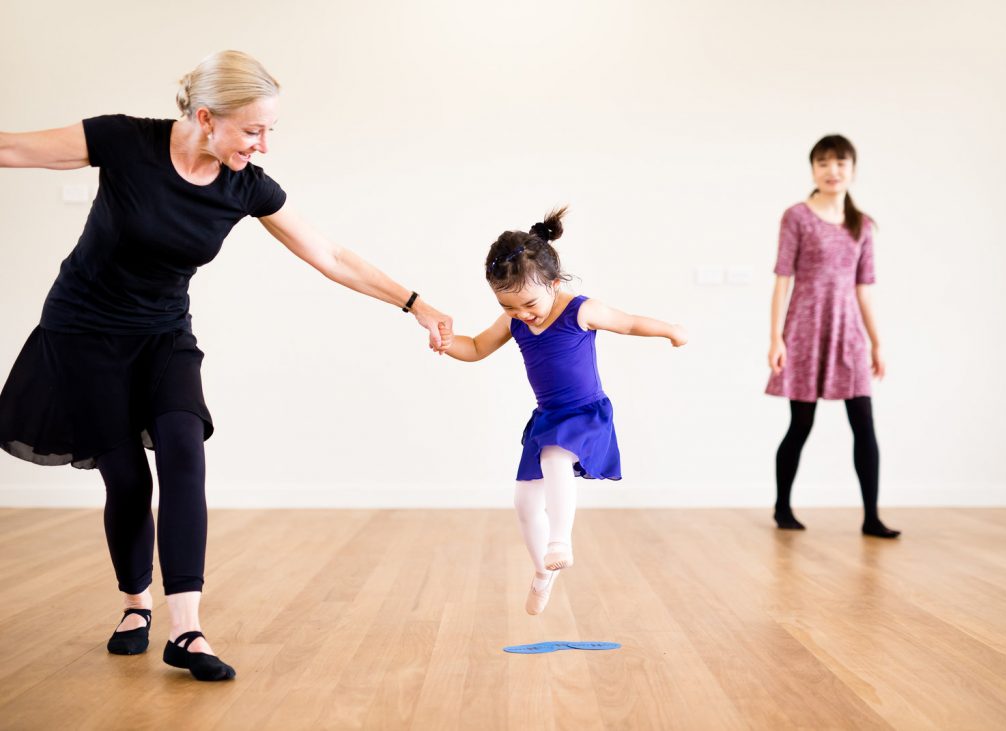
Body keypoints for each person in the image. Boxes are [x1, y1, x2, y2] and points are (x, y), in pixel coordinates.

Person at [0, 50, 451, 681]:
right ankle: (135, 607)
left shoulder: (245, 186)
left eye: (269, 131)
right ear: (206, 118)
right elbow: (15, 150)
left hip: (163, 335)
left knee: (184, 445)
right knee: (127, 479)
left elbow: (330, 253)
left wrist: (415, 303)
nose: (263, 145)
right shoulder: (126, 141)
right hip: (83, 334)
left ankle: (187, 629)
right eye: (253, 130)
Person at [438, 207, 686, 614]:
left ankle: (561, 540)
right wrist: (448, 343)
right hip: (548, 417)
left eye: (528, 304)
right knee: (524, 504)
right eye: (508, 308)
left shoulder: (579, 310)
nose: (521, 315)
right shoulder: (515, 321)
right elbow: (477, 348)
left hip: (585, 413)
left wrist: (671, 331)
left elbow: (628, 323)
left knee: (555, 457)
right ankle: (542, 572)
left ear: (553, 283)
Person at [766, 134, 900, 539]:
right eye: (823, 163)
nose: (832, 170)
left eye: (840, 163)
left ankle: (872, 517)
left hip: (849, 336)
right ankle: (783, 507)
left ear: (852, 170)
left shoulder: (863, 226)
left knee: (864, 424)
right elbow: (782, 280)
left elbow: (865, 289)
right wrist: (776, 338)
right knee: (800, 424)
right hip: (805, 332)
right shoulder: (797, 217)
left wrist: (877, 342)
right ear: (813, 170)